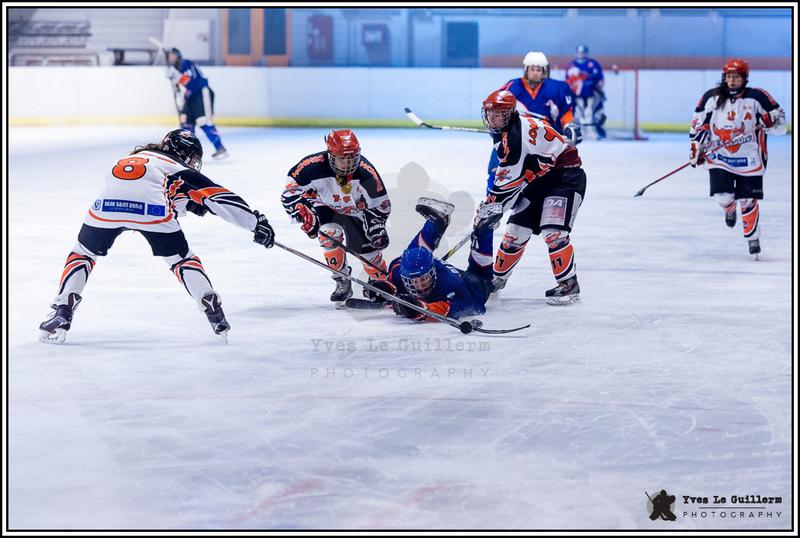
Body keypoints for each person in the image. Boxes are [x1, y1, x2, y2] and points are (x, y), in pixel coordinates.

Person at [38, 129, 275, 344]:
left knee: (83, 253)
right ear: (182, 152)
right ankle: (210, 305)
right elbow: (216, 195)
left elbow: (144, 187)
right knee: (181, 259)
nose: (193, 162)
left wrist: (186, 204)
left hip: (105, 208)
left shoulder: (137, 157)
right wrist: (254, 223)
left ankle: (62, 309)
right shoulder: (176, 165)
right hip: (152, 213)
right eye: (191, 157)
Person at [480, 90, 587, 304]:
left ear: (509, 114)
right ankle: (495, 280)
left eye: (498, 114)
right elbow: (512, 180)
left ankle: (568, 284)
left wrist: (492, 208)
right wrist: (495, 207)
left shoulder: (514, 138)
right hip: (540, 179)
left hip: (564, 177)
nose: (492, 119)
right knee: (515, 232)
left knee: (553, 231)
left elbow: (507, 183)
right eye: (489, 114)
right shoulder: (506, 130)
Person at [689, 58, 786, 258]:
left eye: (736, 77)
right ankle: (729, 209)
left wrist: (770, 123)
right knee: (723, 196)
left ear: (745, 78)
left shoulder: (759, 97)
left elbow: (781, 126)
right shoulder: (711, 97)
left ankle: (753, 238)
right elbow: (697, 125)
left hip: (750, 158)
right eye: (729, 77)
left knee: (748, 200)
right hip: (719, 155)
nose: (732, 81)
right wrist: (696, 149)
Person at [281, 129, 391, 304]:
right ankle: (342, 280)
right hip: (325, 207)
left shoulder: (366, 172)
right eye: (342, 158)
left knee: (367, 251)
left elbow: (381, 206)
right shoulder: (311, 167)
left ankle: (380, 281)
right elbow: (289, 193)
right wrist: (301, 210)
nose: (347, 163)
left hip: (356, 211)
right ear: (330, 154)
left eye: (351, 158)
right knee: (328, 235)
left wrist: (376, 228)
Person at [365, 198, 499, 321]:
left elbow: (473, 307)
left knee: (481, 277)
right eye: (414, 281)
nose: (420, 286)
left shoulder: (452, 286)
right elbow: (393, 283)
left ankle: (485, 227)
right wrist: (384, 290)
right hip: (437, 272)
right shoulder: (398, 269)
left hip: (471, 288)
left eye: (423, 279)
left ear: (432, 272)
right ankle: (437, 221)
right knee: (414, 255)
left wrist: (420, 311)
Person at [167, 48, 228, 159]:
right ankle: (189, 153)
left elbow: (190, 81)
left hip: (201, 94)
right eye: (169, 56)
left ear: (178, 56)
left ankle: (220, 148)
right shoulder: (177, 67)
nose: (170, 58)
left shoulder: (184, 63)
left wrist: (177, 76)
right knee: (186, 124)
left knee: (204, 122)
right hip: (190, 97)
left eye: (172, 55)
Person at [565, 44, 607, 139]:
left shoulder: (593, 64)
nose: (581, 54)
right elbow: (568, 82)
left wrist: (599, 89)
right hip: (577, 95)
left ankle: (592, 131)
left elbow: (599, 79)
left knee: (590, 113)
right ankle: (580, 132)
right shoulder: (571, 65)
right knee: (578, 114)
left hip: (591, 94)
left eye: (583, 52)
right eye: (579, 53)